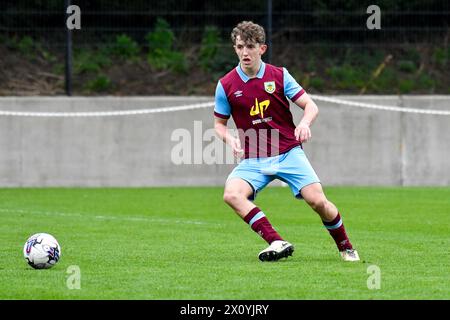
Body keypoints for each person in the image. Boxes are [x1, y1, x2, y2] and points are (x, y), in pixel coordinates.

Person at [213, 21, 360, 262]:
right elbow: (218, 124)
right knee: (231, 194)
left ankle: (345, 246)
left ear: (262, 48)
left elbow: (310, 106)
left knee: (318, 201)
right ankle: (276, 240)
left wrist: (304, 124)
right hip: (254, 158)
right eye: (240, 47)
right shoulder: (226, 85)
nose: (244, 52)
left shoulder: (279, 75)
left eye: (250, 46)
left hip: (287, 151)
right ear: (235, 48)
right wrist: (229, 139)